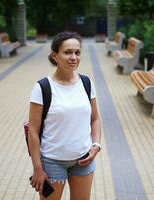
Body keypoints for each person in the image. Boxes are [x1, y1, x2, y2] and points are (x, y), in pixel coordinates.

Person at [28, 31, 102, 200]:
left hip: (84, 160)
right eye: (67, 52)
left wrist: (96, 146)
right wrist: (38, 168)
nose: (73, 57)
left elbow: (95, 119)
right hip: (52, 162)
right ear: (55, 56)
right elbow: (33, 130)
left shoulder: (86, 83)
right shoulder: (42, 87)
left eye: (77, 52)